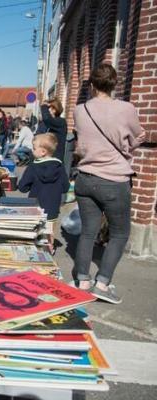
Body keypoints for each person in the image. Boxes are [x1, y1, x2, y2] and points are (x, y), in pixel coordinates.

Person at [72, 63, 145, 304]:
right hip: (114, 180)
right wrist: (129, 147)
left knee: (88, 231)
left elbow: (82, 145)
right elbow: (136, 137)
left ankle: (82, 280)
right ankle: (102, 283)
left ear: (92, 85)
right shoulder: (126, 109)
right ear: (114, 85)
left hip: (85, 177)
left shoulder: (80, 110)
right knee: (120, 233)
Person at [18, 133, 69, 222]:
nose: (32, 150)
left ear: (43, 152)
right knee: (50, 232)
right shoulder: (59, 166)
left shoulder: (33, 167)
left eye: (34, 148)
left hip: (35, 209)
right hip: (53, 209)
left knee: (35, 233)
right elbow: (65, 188)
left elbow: (22, 187)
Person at [39, 98, 67, 162]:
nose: (45, 110)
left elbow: (47, 119)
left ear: (54, 109)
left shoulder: (61, 122)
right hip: (47, 158)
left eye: (48, 108)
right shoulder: (49, 124)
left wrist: (44, 106)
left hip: (55, 160)